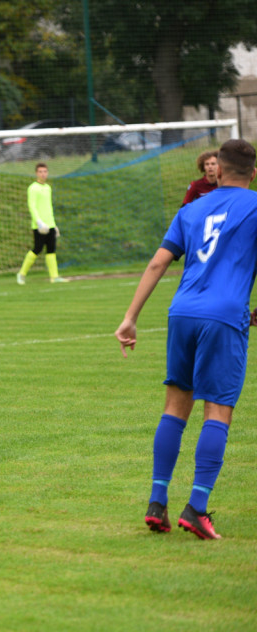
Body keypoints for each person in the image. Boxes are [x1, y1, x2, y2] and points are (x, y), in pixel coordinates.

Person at [115, 139, 257, 540]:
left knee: (176, 406)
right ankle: (196, 508)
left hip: (182, 313)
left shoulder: (191, 209)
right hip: (225, 316)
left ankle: (156, 503)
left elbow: (160, 261)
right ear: (253, 173)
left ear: (218, 169)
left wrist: (130, 318)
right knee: (218, 409)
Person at [16, 162, 68, 285]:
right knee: (37, 249)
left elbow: (48, 208)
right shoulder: (33, 188)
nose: (43, 174)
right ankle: (21, 274)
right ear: (36, 173)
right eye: (40, 172)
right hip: (39, 226)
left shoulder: (48, 188)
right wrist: (38, 222)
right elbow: (32, 206)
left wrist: (54, 224)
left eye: (45, 171)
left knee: (51, 250)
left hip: (49, 224)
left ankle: (54, 277)